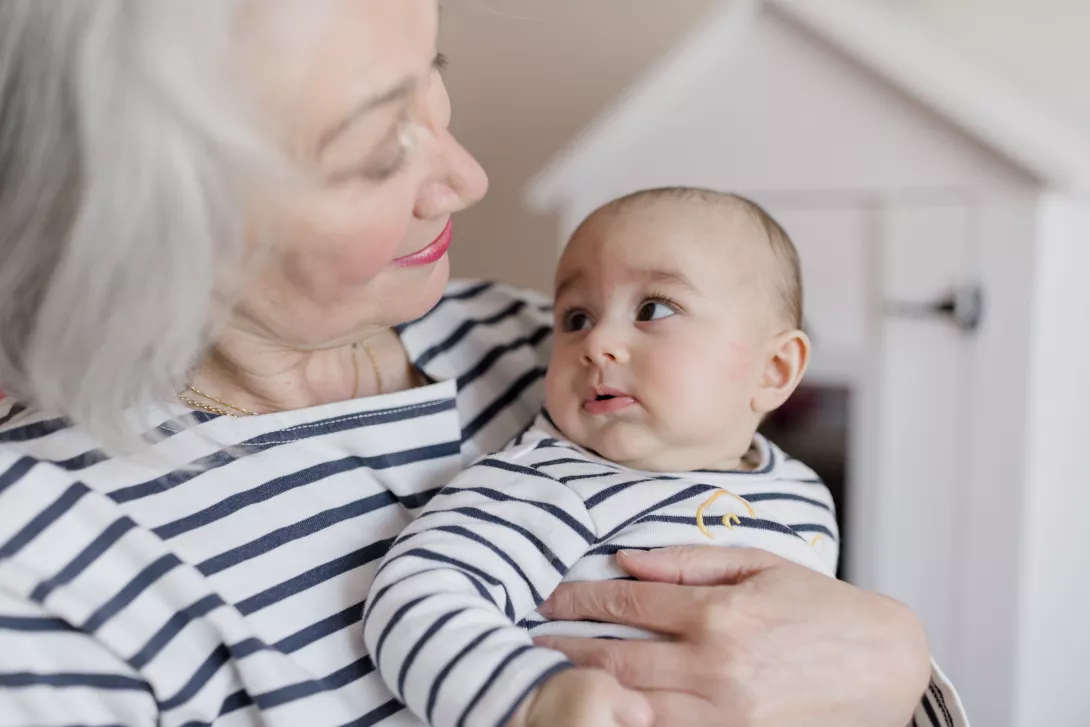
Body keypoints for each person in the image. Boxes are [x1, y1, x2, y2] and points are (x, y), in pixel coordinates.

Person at [0, 2, 964, 726]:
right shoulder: (45, 566)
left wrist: (900, 679)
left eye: (435, 74)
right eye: (383, 146)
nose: (467, 176)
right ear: (150, 207)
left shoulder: (550, 353)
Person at [363, 188, 849, 727]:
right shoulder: (544, 481)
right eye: (575, 319)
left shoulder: (804, 494)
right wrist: (534, 700)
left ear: (774, 370)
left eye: (654, 309)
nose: (597, 343)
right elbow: (414, 599)